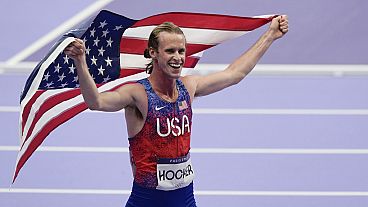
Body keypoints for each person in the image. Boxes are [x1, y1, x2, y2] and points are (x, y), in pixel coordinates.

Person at [64, 15, 288, 207]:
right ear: (153, 53)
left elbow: (234, 74)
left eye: (181, 51)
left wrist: (270, 35)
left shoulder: (188, 87)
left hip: (185, 199)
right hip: (146, 201)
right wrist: (81, 62)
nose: (178, 57)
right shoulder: (137, 94)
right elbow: (97, 102)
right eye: (170, 50)